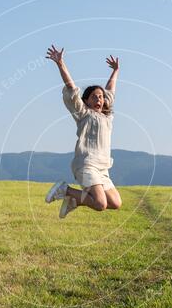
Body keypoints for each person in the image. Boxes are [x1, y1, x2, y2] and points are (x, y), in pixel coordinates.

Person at [44, 44, 123, 218]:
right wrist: (60, 63)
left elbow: (110, 90)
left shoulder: (107, 117)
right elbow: (71, 88)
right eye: (94, 97)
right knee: (100, 204)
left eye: (100, 97)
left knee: (116, 203)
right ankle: (66, 190)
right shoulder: (83, 113)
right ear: (86, 101)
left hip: (103, 168)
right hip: (86, 164)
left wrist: (115, 71)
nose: (99, 99)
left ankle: (76, 200)